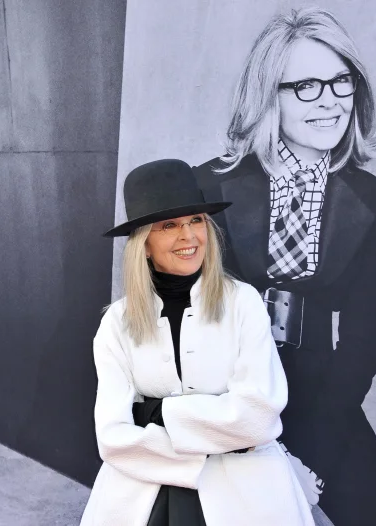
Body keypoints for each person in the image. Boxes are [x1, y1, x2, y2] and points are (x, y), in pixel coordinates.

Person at [193, 7, 376, 525]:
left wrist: (310, 461)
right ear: (266, 94)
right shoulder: (207, 187)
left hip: (320, 398)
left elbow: (363, 342)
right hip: (222, 391)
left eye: (341, 82)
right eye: (306, 86)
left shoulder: (373, 201)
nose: (330, 102)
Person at [80, 159, 313, 526]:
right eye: (169, 225)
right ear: (143, 244)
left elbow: (258, 419)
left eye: (196, 220)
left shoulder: (243, 302)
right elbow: (112, 438)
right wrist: (218, 436)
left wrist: (155, 414)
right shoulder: (117, 323)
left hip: (246, 498)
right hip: (141, 497)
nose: (189, 236)